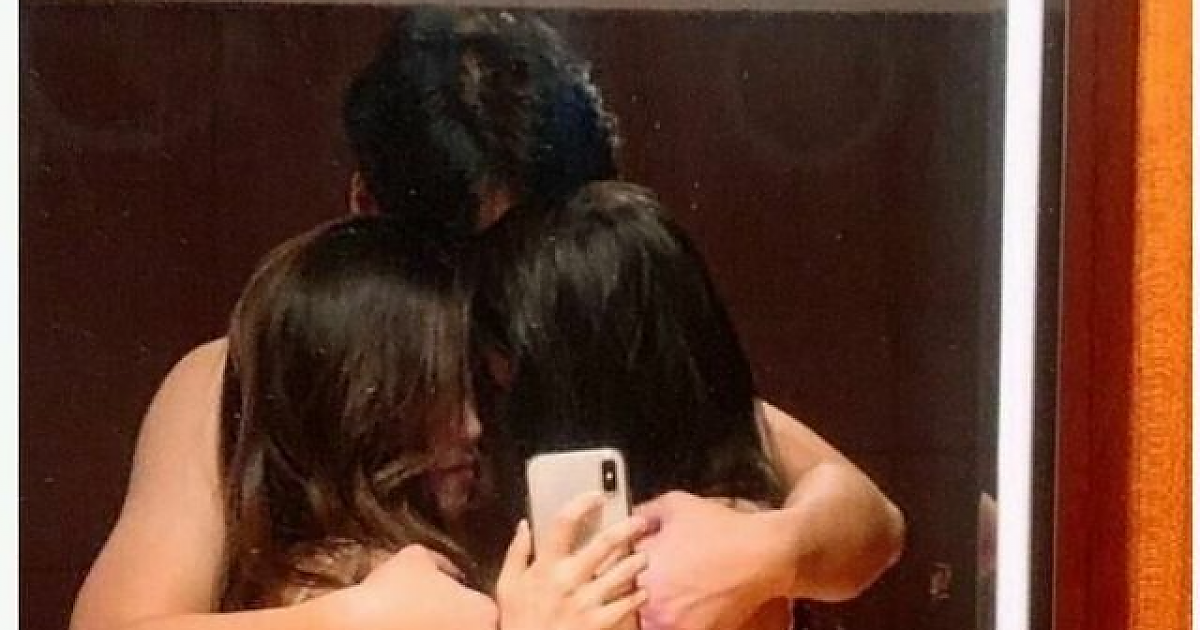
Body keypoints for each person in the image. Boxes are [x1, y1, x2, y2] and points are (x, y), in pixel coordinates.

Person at [72, 8, 903, 630]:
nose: (495, 292)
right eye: (467, 253)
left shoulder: (574, 345)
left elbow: (868, 518)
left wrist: (773, 549)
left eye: (532, 248)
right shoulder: (261, 366)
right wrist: (350, 621)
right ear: (366, 204)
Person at [169, 214, 653, 630]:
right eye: (433, 396)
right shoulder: (357, 591)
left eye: (471, 390)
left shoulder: (325, 574)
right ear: (364, 407)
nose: (473, 428)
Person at [473, 181, 895, 630]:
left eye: (500, 367)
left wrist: (767, 548)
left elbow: (880, 524)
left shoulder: (707, 525)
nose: (473, 419)